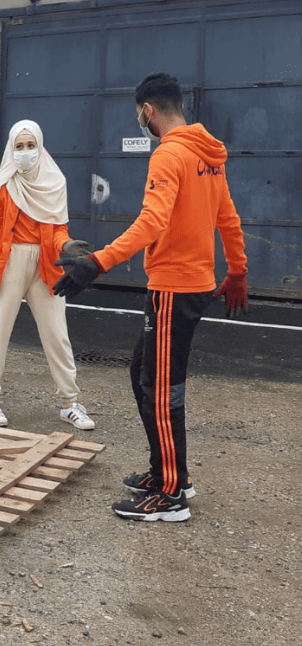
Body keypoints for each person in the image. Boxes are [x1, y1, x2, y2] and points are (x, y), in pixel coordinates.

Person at [53, 72, 249, 522]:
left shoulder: (170, 154)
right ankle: (168, 469)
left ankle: (170, 493)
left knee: (161, 390)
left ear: (148, 111)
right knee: (144, 370)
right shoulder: (209, 155)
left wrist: (97, 262)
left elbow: (152, 223)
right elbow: (229, 218)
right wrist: (236, 269)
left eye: (138, 114)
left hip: (174, 288)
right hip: (190, 284)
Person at [0, 120, 95, 432]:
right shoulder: (1, 185)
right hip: (9, 261)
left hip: (46, 264)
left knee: (57, 334)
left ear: (40, 146)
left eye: (31, 146)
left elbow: (57, 230)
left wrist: (66, 244)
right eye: (19, 146)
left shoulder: (54, 182)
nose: (26, 152)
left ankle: (69, 404)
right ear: (11, 149)